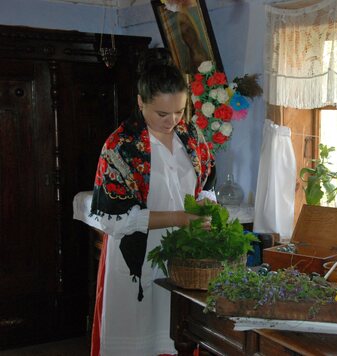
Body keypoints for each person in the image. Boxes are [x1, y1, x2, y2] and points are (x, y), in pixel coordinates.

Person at [89, 48, 215, 356]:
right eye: (162, 113)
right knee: (139, 337)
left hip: (182, 261)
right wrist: (179, 218)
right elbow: (113, 220)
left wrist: (206, 210)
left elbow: (206, 183)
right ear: (140, 102)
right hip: (137, 259)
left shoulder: (191, 136)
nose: (172, 120)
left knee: (178, 336)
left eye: (179, 111)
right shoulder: (121, 146)